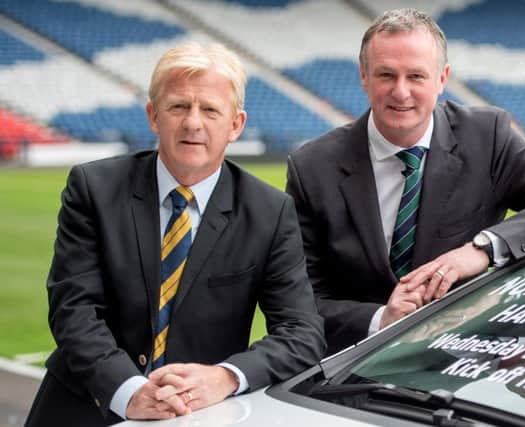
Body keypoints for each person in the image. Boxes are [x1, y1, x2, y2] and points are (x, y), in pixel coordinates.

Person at [26, 41, 325, 426]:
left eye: (210, 110)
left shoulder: (269, 211)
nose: (193, 123)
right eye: (179, 106)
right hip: (85, 404)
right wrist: (129, 390)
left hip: (198, 413)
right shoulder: (93, 188)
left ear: (236, 124)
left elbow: (302, 332)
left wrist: (225, 377)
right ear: (153, 116)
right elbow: (73, 308)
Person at [285, 8, 525, 356]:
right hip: (354, 370)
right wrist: (381, 319)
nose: (401, 92)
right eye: (386, 75)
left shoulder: (487, 136)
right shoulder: (312, 166)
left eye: (417, 76)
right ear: (364, 76)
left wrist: (480, 250)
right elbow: (299, 302)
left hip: (463, 364)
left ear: (442, 78)